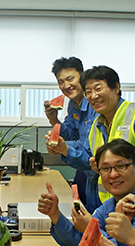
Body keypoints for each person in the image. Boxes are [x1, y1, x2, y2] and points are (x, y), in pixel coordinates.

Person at [38, 139, 135, 246]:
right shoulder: (109, 205)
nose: (113, 174)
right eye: (105, 169)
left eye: (120, 166)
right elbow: (79, 241)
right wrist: (55, 215)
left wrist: (91, 228)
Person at [80, 65, 135, 206]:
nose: (93, 96)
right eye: (88, 92)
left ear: (116, 88)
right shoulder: (95, 125)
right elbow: (88, 157)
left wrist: (114, 165)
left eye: (98, 89)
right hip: (109, 202)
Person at [42, 57, 100, 213]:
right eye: (61, 82)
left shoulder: (96, 105)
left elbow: (86, 146)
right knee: (81, 211)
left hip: (97, 170)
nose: (66, 86)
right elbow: (71, 135)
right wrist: (53, 119)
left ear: (82, 76)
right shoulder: (74, 105)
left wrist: (63, 148)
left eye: (70, 79)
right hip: (84, 170)